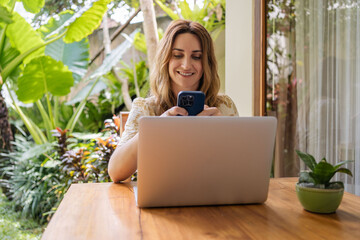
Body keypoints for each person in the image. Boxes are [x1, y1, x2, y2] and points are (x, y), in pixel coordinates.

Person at [108, 19, 239, 182]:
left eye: (196, 57)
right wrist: (155, 130)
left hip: (214, 198)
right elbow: (115, 172)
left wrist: (225, 132)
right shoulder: (146, 109)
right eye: (178, 55)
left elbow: (242, 169)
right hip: (161, 201)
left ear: (207, 63)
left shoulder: (223, 106)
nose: (186, 65)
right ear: (166, 59)